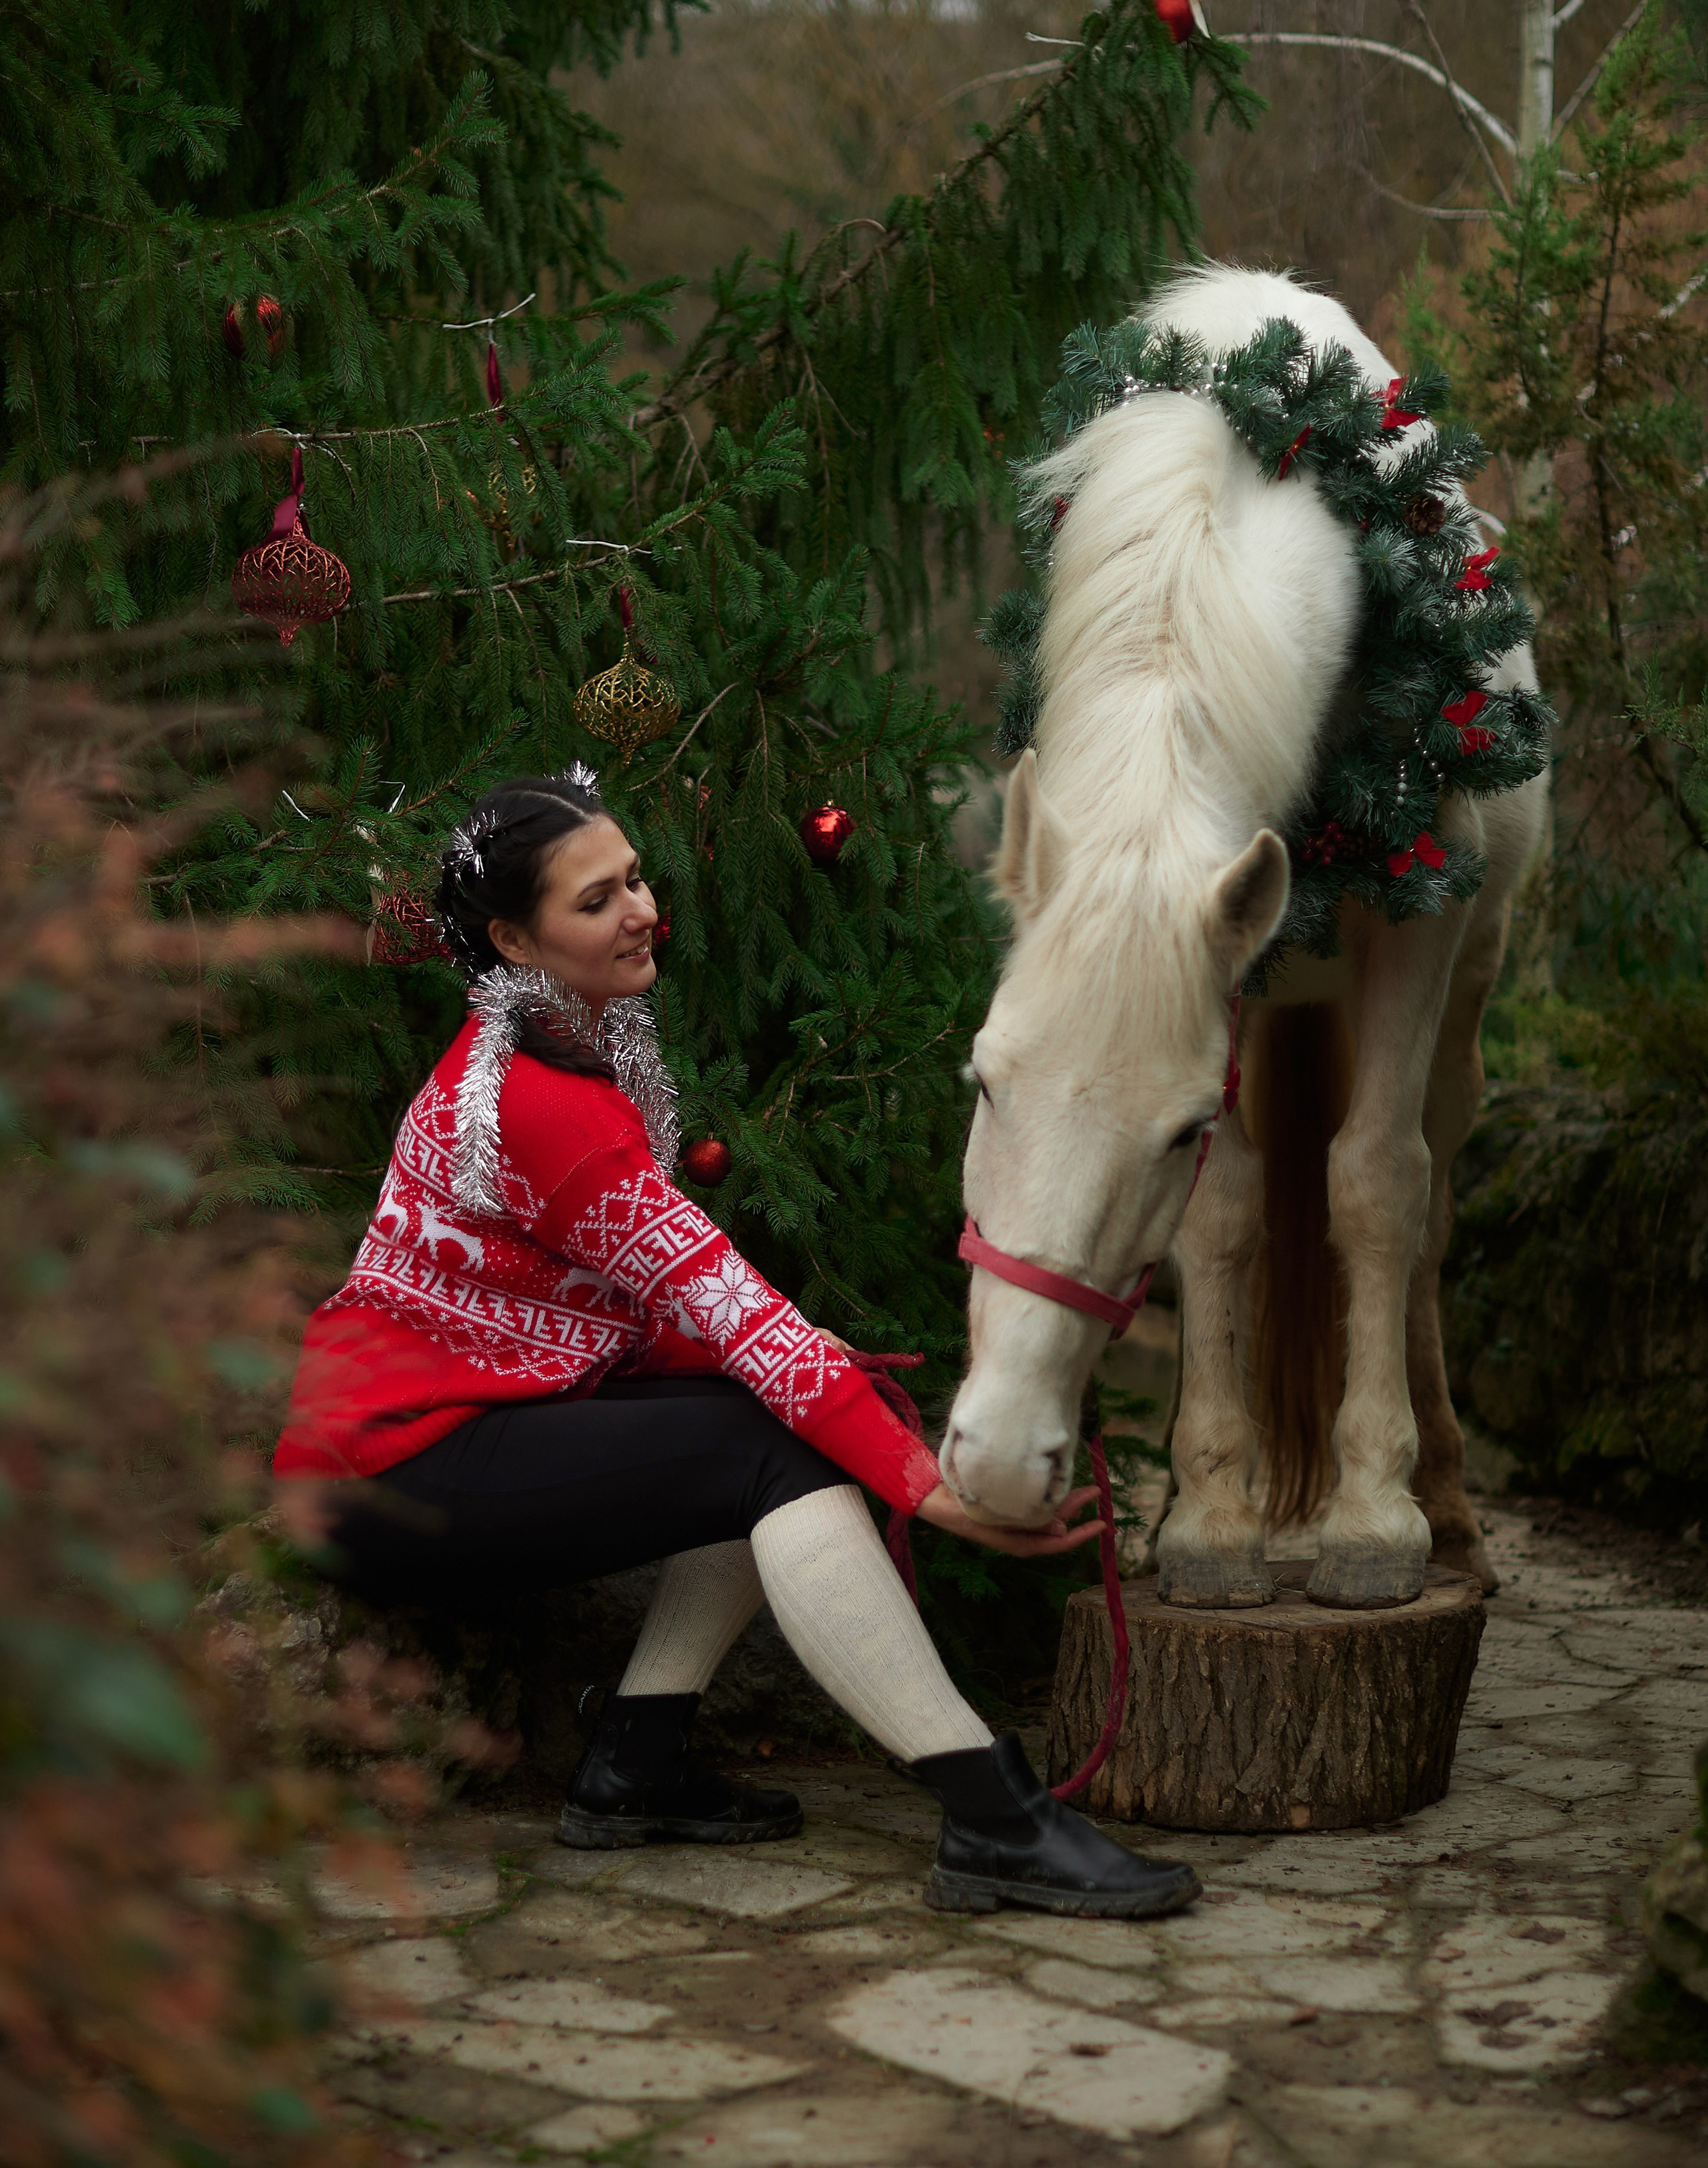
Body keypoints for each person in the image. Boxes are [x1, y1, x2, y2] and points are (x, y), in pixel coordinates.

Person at [273, 769, 1197, 1920]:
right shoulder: (542, 1106)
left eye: (637, 878)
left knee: (772, 1421)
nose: (643, 909)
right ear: (515, 939)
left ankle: (636, 1763)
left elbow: (654, 1318)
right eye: (596, 899)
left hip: (442, 1431)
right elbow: (724, 1307)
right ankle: (992, 1818)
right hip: (385, 1473)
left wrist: (828, 1383)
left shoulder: (565, 1047)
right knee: (781, 1448)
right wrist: (922, 1484)